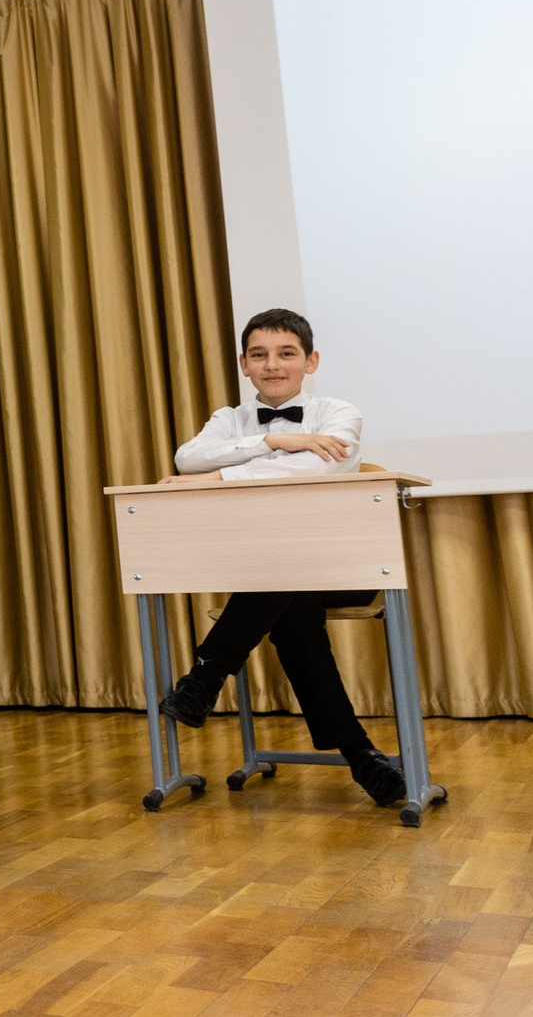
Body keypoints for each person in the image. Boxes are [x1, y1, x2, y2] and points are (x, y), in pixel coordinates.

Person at [156, 308, 405, 806]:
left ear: (310, 362)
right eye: (259, 355)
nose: (273, 365)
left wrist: (220, 475)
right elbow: (188, 457)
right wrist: (273, 438)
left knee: (279, 579)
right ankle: (360, 755)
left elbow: (314, 468)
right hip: (274, 575)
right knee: (291, 606)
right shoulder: (229, 419)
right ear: (244, 364)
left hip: (343, 568)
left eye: (286, 354)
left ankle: (207, 675)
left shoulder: (340, 413)